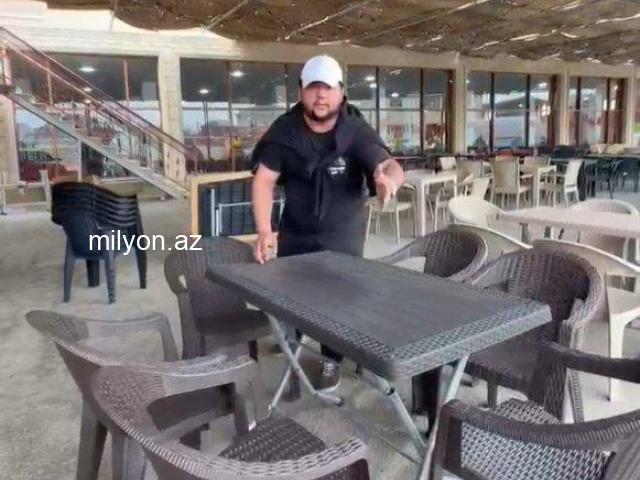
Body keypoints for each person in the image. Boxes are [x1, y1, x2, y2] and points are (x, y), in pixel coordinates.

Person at [251, 54, 405, 392]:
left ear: (341, 92)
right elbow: (264, 180)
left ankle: (330, 359)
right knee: (292, 296)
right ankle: (293, 342)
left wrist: (388, 180)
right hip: (296, 231)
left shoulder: (356, 130)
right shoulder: (285, 131)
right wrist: (264, 230)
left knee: (338, 304)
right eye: (313, 87)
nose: (321, 95)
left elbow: (389, 165)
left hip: (342, 235)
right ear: (301, 91)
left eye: (328, 88)